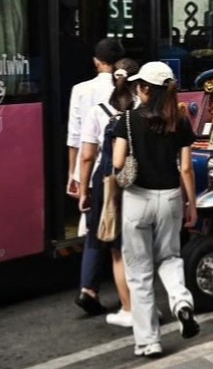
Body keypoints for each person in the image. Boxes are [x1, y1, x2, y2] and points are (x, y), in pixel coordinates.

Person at [113, 62, 199, 357]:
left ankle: (149, 341)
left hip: (137, 199)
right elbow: (186, 168)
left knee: (139, 272)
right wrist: (193, 205)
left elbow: (117, 163)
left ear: (145, 89)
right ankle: (181, 302)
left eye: (139, 85)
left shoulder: (126, 120)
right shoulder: (181, 121)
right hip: (171, 198)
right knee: (170, 258)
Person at [78, 58, 139, 327]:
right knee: (129, 247)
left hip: (104, 182)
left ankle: (90, 290)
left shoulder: (96, 111)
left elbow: (88, 156)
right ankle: (135, 304)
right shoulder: (141, 110)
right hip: (134, 181)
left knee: (101, 235)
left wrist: (83, 190)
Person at [68, 37, 125, 315]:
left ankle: (88, 288)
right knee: (119, 234)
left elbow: (76, 139)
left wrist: (75, 175)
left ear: (95, 61)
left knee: (94, 229)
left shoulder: (80, 90)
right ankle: (132, 299)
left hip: (95, 171)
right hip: (120, 171)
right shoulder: (128, 90)